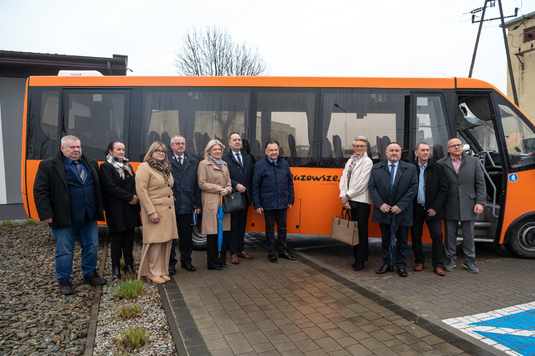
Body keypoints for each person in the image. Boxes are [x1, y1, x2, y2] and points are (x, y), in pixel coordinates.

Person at [34, 135, 107, 295]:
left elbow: (97, 187)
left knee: (91, 246)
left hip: (88, 215)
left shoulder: (91, 163)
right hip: (63, 216)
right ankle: (64, 280)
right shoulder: (48, 166)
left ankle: (89, 274)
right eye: (72, 147)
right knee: (65, 250)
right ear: (62, 148)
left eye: (78, 147)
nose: (76, 150)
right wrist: (46, 213)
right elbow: (40, 191)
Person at [369, 142, 418, 277]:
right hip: (383, 210)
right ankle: (387, 264)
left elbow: (413, 188)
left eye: (397, 150)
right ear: (386, 153)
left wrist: (401, 205)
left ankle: (401, 266)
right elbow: (372, 187)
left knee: (402, 240)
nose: (394, 153)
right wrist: (380, 204)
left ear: (401, 153)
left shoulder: (410, 168)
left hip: (402, 211)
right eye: (391, 150)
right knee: (385, 239)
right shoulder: (377, 168)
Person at [438, 138, 486, 273]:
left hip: (470, 203)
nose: (457, 147)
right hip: (449, 204)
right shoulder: (441, 163)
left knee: (469, 234)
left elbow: (480, 183)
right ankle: (451, 259)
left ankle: (469, 260)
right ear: (448, 149)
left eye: (459, 145)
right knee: (450, 234)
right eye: (453, 146)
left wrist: (480, 202)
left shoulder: (473, 161)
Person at [135, 141, 178, 284]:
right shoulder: (144, 167)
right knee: (154, 242)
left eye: (163, 151)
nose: (160, 153)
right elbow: (141, 191)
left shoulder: (165, 168)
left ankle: (161, 270)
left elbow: (167, 186)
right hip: (155, 211)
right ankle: (151, 272)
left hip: (168, 210)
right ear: (151, 152)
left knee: (166, 241)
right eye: (157, 150)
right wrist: (151, 212)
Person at [99, 141, 141, 280]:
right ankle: (115, 267)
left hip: (130, 208)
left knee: (129, 238)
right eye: (118, 149)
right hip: (116, 209)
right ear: (110, 151)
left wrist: (135, 196)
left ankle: (129, 264)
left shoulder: (127, 165)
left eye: (123, 149)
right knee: (117, 239)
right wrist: (130, 197)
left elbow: (134, 182)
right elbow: (110, 187)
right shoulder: (106, 167)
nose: (122, 152)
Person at [252, 140, 295, 263]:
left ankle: (283, 252)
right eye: (271, 150)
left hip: (282, 202)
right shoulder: (260, 166)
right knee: (270, 229)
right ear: (266, 152)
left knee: (283, 229)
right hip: (268, 203)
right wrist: (257, 204)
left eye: (276, 150)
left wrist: (290, 199)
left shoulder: (284, 164)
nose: (274, 152)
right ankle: (271, 253)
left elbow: (290, 183)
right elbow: (255, 187)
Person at [409, 142, 448, 276]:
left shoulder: (438, 168)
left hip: (433, 210)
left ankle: (437, 265)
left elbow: (443, 189)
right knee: (416, 236)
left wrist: (435, 207)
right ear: (416, 153)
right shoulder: (410, 168)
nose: (425, 152)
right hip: (415, 209)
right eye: (423, 150)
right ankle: (419, 262)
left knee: (437, 236)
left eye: (427, 150)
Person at [167, 135, 201, 274]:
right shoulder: (165, 161)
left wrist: (198, 204)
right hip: (170, 205)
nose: (180, 145)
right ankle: (170, 264)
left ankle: (186, 261)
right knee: (170, 237)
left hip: (187, 204)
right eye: (177, 143)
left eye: (183, 143)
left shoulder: (193, 161)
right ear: (172, 146)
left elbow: (197, 185)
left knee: (186, 236)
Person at [338, 136, 373, 271]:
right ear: (353, 147)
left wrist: (347, 195)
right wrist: (343, 196)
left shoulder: (367, 162)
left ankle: (361, 260)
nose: (359, 148)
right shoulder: (350, 160)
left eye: (362, 146)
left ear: (366, 148)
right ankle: (356, 257)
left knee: (361, 232)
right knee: (354, 231)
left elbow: (362, 183)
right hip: (350, 200)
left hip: (362, 201)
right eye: (357, 146)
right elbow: (343, 179)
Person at [197, 139, 233, 270]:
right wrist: (219, 189)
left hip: (223, 202)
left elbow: (229, 182)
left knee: (223, 232)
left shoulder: (224, 164)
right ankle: (212, 263)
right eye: (215, 149)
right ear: (209, 151)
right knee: (212, 233)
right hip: (211, 202)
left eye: (219, 149)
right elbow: (202, 183)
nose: (217, 152)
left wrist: (228, 190)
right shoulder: (203, 164)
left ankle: (221, 260)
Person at [222, 132, 255, 264]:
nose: (237, 142)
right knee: (233, 225)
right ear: (229, 143)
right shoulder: (225, 158)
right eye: (234, 140)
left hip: (245, 196)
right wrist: (236, 185)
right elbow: (225, 177)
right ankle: (233, 252)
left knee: (242, 224)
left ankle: (241, 249)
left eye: (239, 140)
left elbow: (251, 176)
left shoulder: (248, 157)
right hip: (233, 196)